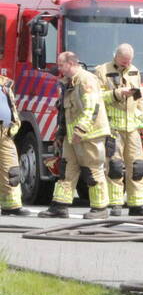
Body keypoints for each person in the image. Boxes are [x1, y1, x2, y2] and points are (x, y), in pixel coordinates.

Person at [37, 52, 110, 219]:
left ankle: (100, 209)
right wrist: (61, 134)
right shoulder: (69, 82)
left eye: (61, 65)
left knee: (92, 170)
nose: (59, 68)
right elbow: (65, 111)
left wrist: (81, 130)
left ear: (71, 63)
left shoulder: (86, 80)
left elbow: (91, 108)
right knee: (66, 170)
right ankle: (60, 206)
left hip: (89, 135)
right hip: (73, 136)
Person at [94, 44, 143, 216]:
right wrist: (118, 93)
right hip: (113, 128)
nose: (126, 64)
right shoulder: (102, 71)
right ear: (116, 56)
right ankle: (115, 204)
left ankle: (137, 204)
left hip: (132, 128)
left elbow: (139, 99)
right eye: (123, 61)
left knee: (137, 166)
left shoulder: (135, 71)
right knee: (115, 167)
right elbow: (96, 98)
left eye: (129, 61)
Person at [0, 73, 30, 216]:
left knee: (11, 169)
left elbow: (11, 106)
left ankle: (11, 205)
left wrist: (15, 124)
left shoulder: (5, 83)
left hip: (5, 133)